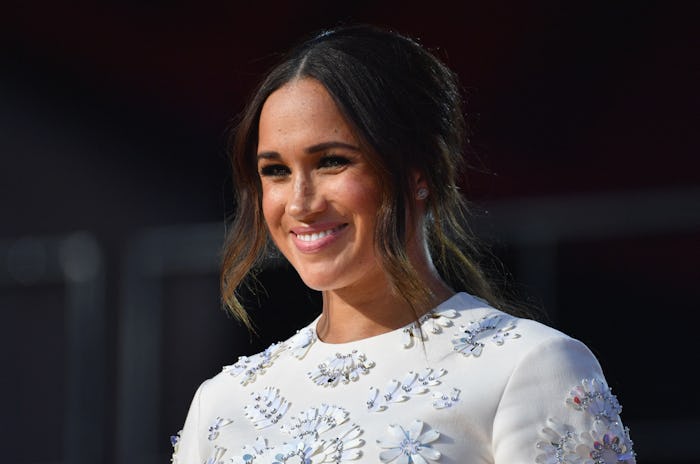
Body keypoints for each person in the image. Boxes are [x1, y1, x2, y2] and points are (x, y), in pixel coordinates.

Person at [171, 24, 636, 463]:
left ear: (420, 173)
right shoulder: (223, 403)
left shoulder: (528, 368)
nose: (300, 202)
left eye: (332, 161)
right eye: (276, 171)